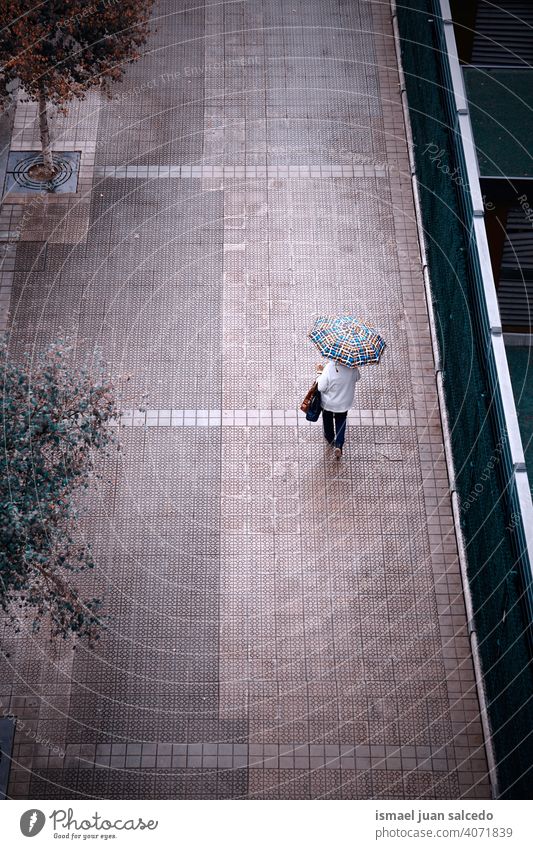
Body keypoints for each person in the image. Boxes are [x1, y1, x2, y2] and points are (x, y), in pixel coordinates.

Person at [316, 359, 360, 459]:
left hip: (328, 403)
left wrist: (320, 373)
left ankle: (330, 438)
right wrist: (355, 367)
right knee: (341, 421)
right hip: (344, 402)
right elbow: (357, 377)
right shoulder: (352, 366)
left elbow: (321, 387)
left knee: (327, 419)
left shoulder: (329, 368)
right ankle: (339, 445)